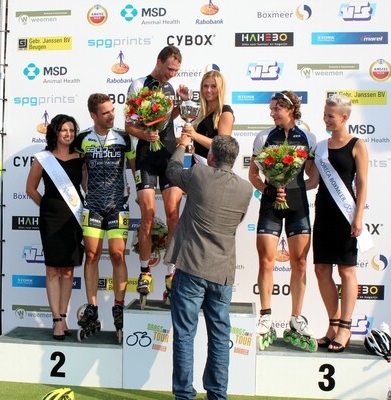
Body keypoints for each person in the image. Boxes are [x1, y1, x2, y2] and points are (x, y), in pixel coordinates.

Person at [165, 134, 252, 400]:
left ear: (211, 156)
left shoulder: (199, 173)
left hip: (192, 267)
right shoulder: (246, 188)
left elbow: (172, 171)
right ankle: (217, 395)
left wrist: (182, 146)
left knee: (185, 335)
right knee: (219, 337)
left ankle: (184, 396)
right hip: (222, 273)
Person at [248, 90, 318, 349]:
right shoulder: (264, 137)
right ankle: (266, 316)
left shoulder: (308, 138)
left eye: (276, 108)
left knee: (300, 263)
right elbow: (253, 174)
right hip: (270, 205)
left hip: (298, 205)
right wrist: (269, 190)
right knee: (266, 261)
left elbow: (312, 178)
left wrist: (293, 190)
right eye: (271, 108)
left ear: (290, 109)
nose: (272, 113)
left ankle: (296, 318)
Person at [124, 45, 190, 300]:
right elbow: (128, 125)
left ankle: (171, 273)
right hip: (146, 158)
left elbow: (168, 119)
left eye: (176, 71)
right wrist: (145, 135)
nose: (172, 74)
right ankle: (144, 272)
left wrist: (180, 103)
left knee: (173, 215)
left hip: (169, 155)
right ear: (159, 61)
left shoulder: (170, 88)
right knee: (148, 216)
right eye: (169, 69)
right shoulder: (138, 84)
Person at [73, 93, 136, 340]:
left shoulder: (123, 137)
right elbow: (77, 167)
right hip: (93, 205)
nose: (111, 116)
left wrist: (142, 191)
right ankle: (92, 307)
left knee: (118, 254)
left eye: (112, 110)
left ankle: (118, 308)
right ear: (93, 115)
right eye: (105, 112)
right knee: (91, 255)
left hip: (118, 204)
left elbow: (134, 167)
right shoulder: (82, 139)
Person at [312, 94, 368, 352]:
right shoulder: (321, 147)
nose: (326, 119)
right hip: (323, 212)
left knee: (346, 270)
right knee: (321, 270)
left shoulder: (358, 145)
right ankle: (333, 325)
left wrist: (359, 216)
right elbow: (313, 181)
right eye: (325, 114)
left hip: (346, 215)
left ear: (344, 117)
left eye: (330, 116)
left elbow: (363, 183)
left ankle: (345, 327)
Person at [26, 114, 85, 341]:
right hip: (51, 219)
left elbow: (86, 187)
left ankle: (64, 316)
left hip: (74, 217)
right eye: (64, 130)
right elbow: (30, 189)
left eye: (71, 130)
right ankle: (56, 320)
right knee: (52, 269)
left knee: (68, 270)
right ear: (55, 133)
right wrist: (47, 206)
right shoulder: (43, 158)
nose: (68, 134)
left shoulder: (81, 158)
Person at [181, 69, 234, 161]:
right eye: (205, 86)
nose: (209, 90)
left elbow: (223, 146)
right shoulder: (201, 111)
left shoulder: (225, 112)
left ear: (220, 88)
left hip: (215, 167)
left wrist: (195, 135)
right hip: (197, 163)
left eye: (213, 86)